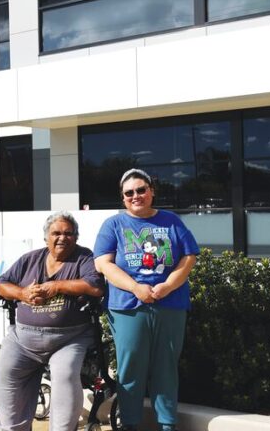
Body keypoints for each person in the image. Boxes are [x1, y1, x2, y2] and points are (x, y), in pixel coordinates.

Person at [93, 168, 199, 431]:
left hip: (170, 305)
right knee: (131, 369)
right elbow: (103, 264)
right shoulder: (113, 225)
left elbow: (189, 257)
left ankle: (167, 425)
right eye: (129, 192)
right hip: (128, 308)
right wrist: (135, 287)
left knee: (166, 368)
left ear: (152, 191)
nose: (135, 196)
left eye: (141, 190)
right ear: (123, 197)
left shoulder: (171, 221)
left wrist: (169, 285)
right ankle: (129, 423)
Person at [0, 211, 104, 431]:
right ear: (46, 238)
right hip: (23, 339)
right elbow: (1, 284)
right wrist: (22, 294)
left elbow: (95, 287)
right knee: (6, 373)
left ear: (76, 237)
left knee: (65, 375)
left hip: (69, 339)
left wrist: (57, 286)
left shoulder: (84, 258)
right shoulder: (30, 259)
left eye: (68, 233)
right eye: (56, 233)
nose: (62, 238)